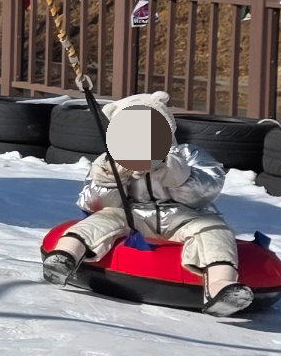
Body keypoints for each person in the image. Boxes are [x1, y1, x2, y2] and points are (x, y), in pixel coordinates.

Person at [49, 90, 251, 317]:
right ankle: (65, 256)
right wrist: (110, 178)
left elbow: (207, 190)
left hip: (183, 218)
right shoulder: (110, 161)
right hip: (133, 216)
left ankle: (220, 285)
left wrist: (175, 173)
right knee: (101, 220)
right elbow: (93, 203)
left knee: (213, 230)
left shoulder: (187, 155)